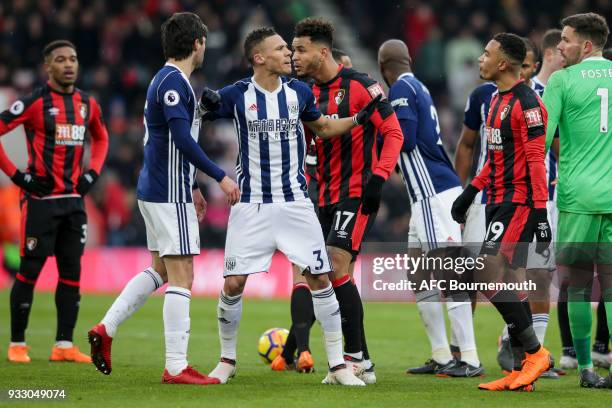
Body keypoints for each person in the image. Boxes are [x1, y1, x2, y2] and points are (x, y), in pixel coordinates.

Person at [200, 27, 382, 386]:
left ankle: (338, 366)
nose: (289, 54)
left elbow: (324, 128)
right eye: (281, 49)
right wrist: (202, 106)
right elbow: (194, 119)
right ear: (259, 58)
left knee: (319, 276)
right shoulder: (237, 95)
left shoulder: (299, 92)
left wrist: (360, 118)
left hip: (296, 203)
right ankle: (226, 361)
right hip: (251, 205)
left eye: (289, 48)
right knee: (234, 283)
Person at [88, 12, 240, 385]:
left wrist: (194, 186)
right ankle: (175, 366)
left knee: (159, 269)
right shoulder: (173, 82)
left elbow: (170, 143)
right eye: (204, 39)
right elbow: (182, 139)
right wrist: (218, 175)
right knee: (182, 274)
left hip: (163, 188)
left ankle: (106, 328)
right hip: (166, 192)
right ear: (197, 43)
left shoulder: (172, 80)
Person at [292, 17, 404, 384]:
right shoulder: (304, 92)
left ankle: (355, 359)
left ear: (322, 52)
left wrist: (380, 177)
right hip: (320, 196)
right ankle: (359, 359)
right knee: (323, 277)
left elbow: (393, 132)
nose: (295, 55)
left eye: (300, 49)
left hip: (355, 193)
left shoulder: (361, 86)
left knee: (337, 264)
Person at [452, 33, 552, 392]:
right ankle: (524, 365)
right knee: (506, 280)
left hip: (520, 201)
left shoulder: (527, 104)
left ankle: (536, 353)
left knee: (486, 271)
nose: (480, 59)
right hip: (495, 199)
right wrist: (471, 191)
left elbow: (536, 163)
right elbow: (493, 158)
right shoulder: (495, 100)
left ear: (503, 63)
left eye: (486, 53)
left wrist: (539, 214)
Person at [377, 39, 482, 378]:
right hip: (424, 196)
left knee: (448, 274)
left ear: (383, 68)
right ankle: (440, 354)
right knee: (419, 274)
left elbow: (403, 139)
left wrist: (376, 131)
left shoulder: (400, 90)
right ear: (407, 59)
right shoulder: (417, 84)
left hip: (433, 194)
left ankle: (469, 358)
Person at [0, 40, 109, 364]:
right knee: (29, 271)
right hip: (40, 203)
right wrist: (18, 177)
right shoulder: (35, 102)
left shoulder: (87, 104)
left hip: (74, 203)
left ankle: (63, 345)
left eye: (73, 59)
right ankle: (17, 344)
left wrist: (93, 173)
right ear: (48, 67)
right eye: (60, 59)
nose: (68, 64)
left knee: (71, 273)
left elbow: (101, 138)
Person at [542, 12, 612, 389]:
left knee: (581, 287)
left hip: (577, 199)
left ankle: (585, 367)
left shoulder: (562, 80)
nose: (559, 46)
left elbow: (541, 140)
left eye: (565, 39)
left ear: (586, 45)